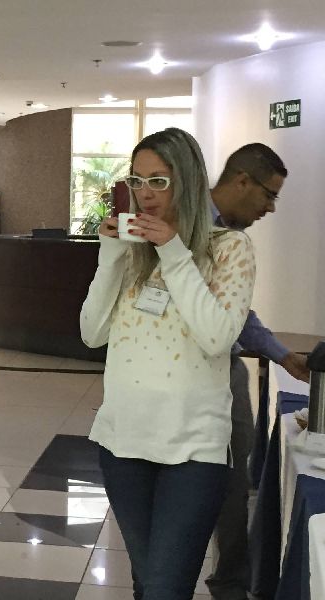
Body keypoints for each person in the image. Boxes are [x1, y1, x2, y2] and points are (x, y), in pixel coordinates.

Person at [80, 127, 256, 600]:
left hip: (193, 449)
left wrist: (175, 253)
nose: (146, 193)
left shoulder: (228, 249)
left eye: (159, 180)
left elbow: (217, 336)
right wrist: (109, 257)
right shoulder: (132, 251)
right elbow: (92, 333)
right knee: (148, 584)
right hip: (123, 442)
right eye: (137, 181)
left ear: (189, 181)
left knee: (165, 587)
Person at [205, 143, 309, 600]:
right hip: (184, 379)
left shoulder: (229, 236)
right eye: (269, 195)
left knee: (233, 483)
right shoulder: (186, 228)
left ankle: (231, 580)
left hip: (225, 372)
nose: (270, 208)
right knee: (201, 482)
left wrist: (283, 356)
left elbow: (238, 314)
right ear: (242, 181)